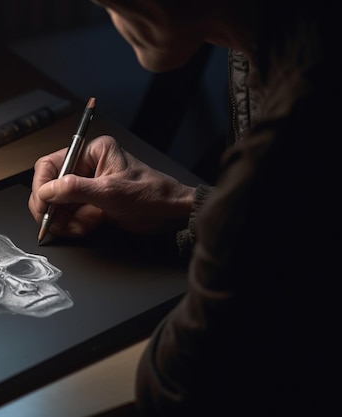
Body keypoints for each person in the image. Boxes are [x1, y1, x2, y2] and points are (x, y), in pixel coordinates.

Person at [28, 0, 340, 415]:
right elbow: (307, 230)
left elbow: (181, 391)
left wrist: (233, 217)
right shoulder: (270, 40)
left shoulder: (299, 132)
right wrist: (183, 203)